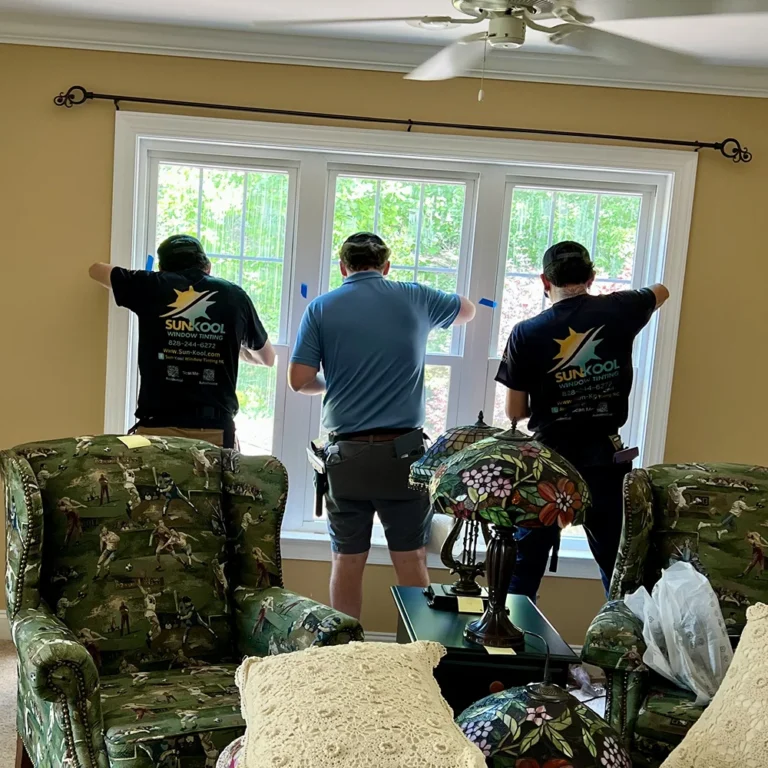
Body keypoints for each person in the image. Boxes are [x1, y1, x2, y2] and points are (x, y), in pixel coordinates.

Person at [288, 232, 475, 619]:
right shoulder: (416, 296)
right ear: (387, 267)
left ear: (343, 268)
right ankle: (419, 653)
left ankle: (343, 654)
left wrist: (336, 381)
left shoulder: (321, 308)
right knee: (410, 561)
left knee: (346, 562)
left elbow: (299, 379)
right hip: (403, 457)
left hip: (347, 457)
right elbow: (468, 310)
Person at [496, 240, 669, 599]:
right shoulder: (620, 309)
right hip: (603, 461)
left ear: (545, 281)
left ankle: (506, 647)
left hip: (547, 466)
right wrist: (611, 303)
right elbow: (661, 291)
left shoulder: (527, 332)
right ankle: (627, 652)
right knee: (619, 570)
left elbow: (515, 412)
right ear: (591, 276)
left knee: (523, 569)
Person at [89, 234, 275, 448]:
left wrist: (147, 282)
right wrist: (230, 347)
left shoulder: (150, 286)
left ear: (162, 268)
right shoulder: (234, 295)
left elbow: (95, 270)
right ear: (208, 267)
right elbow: (268, 358)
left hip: (157, 430)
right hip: (214, 432)